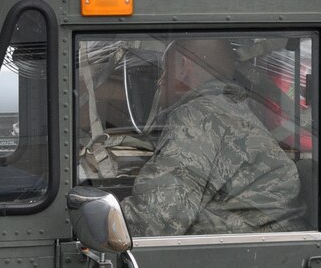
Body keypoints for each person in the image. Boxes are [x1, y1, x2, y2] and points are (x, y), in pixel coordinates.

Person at [120, 38, 307, 236]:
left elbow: (157, 219)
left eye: (165, 70)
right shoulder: (230, 109)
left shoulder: (199, 115)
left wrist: (105, 221)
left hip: (237, 253)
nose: (160, 81)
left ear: (184, 67)